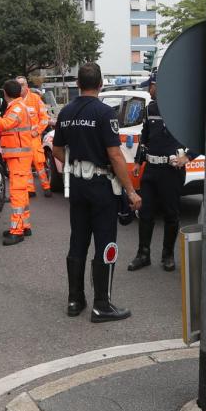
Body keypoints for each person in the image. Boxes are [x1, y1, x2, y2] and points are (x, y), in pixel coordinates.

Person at [53, 61, 143, 322]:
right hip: (102, 188)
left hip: (78, 187)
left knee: (78, 240)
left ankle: (74, 300)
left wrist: (75, 162)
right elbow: (115, 155)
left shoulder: (66, 112)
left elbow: (58, 150)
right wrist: (130, 191)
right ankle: (101, 305)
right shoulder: (105, 113)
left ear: (78, 84)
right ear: (101, 84)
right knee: (106, 243)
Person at [128, 76, 188, 272]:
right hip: (151, 170)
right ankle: (143, 254)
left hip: (171, 171)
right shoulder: (149, 109)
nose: (149, 90)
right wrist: (138, 161)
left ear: (158, 86)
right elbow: (145, 137)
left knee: (171, 214)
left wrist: (187, 157)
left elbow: (198, 136)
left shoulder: (180, 109)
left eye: (151, 86)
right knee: (145, 213)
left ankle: (168, 255)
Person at [0, 79, 33, 245]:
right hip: (20, 158)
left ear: (5, 94)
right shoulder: (17, 106)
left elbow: (5, 124)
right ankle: (24, 226)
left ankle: (17, 232)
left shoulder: (17, 108)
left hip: (19, 158)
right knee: (22, 193)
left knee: (17, 194)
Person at [18, 76, 52, 197]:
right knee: (25, 165)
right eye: (18, 85)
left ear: (27, 85)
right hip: (21, 139)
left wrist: (37, 132)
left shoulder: (35, 99)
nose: (20, 87)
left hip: (33, 138)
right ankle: (30, 189)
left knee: (39, 163)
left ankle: (46, 187)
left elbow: (44, 119)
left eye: (22, 84)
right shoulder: (15, 101)